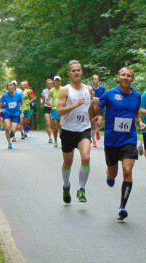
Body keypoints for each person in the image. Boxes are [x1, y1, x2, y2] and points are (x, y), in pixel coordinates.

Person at [89, 66, 146, 220]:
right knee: (113, 173)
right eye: (123, 75)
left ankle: (122, 206)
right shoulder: (109, 94)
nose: (126, 78)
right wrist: (92, 104)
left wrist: (140, 122)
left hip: (129, 139)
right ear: (118, 77)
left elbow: (136, 112)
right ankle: (110, 174)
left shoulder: (136, 95)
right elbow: (95, 112)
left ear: (132, 79)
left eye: (129, 75)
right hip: (112, 140)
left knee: (127, 170)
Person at [57, 60, 93, 204]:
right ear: (69, 73)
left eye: (78, 70)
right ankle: (66, 186)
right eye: (73, 71)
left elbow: (90, 111)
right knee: (68, 163)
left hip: (84, 129)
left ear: (82, 72)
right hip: (68, 131)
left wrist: (95, 110)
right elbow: (59, 111)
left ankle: (81, 189)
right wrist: (74, 105)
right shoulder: (65, 90)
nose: (76, 73)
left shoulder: (88, 89)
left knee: (86, 158)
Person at [0, 83, 24, 149]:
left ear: (14, 89)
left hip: (16, 114)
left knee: (13, 129)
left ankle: (12, 133)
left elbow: (22, 103)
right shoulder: (5, 95)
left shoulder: (18, 95)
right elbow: (0, 104)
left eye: (12, 89)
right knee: (7, 128)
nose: (11, 90)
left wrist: (22, 112)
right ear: (7, 89)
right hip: (7, 113)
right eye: (9, 89)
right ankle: (9, 143)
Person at [46, 76, 63, 147]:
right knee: (55, 127)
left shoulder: (63, 89)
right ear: (54, 82)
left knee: (61, 126)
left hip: (62, 110)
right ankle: (55, 141)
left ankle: (63, 139)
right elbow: (47, 101)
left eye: (58, 80)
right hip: (54, 110)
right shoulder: (51, 91)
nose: (57, 82)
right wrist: (51, 104)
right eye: (56, 80)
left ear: (60, 82)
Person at [90, 74, 105, 147]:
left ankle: (97, 131)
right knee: (92, 124)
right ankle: (94, 141)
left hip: (100, 108)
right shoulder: (90, 89)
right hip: (92, 109)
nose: (96, 80)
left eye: (97, 79)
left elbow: (104, 98)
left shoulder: (102, 88)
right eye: (94, 79)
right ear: (92, 80)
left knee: (99, 123)